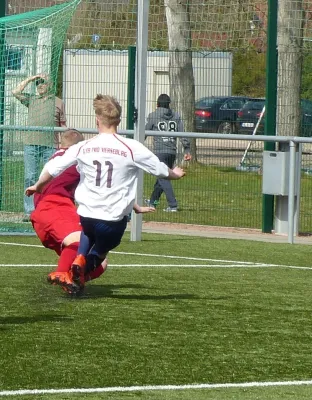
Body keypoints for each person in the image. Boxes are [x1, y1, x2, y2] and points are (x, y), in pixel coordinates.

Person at [25, 94, 185, 293]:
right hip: (112, 220)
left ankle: (78, 260)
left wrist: (38, 186)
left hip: (87, 216)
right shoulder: (131, 147)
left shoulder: (84, 146)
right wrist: (175, 174)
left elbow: (54, 167)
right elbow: (160, 170)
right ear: (118, 121)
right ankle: (79, 271)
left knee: (86, 233)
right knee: (102, 255)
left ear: (97, 121)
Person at [30, 128, 155, 295]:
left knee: (97, 262)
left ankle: (74, 281)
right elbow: (108, 185)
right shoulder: (79, 160)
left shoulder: (55, 157)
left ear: (61, 144)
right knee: (78, 241)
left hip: (40, 215)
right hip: (55, 206)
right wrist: (135, 206)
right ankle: (62, 273)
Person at [12, 73, 67, 222]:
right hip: (31, 144)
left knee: (50, 178)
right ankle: (30, 211)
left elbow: (63, 125)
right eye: (38, 83)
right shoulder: (31, 99)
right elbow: (15, 92)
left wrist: (63, 145)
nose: (40, 85)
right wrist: (32, 78)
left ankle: (49, 207)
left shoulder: (58, 102)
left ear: (50, 85)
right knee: (30, 176)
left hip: (50, 146)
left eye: (43, 82)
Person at [145, 93, 191, 212]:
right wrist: (187, 149)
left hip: (160, 151)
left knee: (163, 178)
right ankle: (152, 202)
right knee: (161, 179)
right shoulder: (176, 116)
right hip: (172, 152)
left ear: (157, 104)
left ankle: (173, 205)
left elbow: (144, 132)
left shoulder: (153, 116)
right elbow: (182, 133)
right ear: (169, 104)